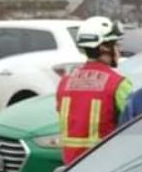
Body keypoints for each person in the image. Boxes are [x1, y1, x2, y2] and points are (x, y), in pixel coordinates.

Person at [56, 16, 132, 164]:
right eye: (115, 44)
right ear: (104, 47)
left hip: (69, 167)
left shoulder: (65, 82)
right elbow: (132, 124)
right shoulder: (118, 83)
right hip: (103, 165)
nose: (119, 50)